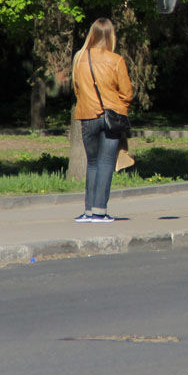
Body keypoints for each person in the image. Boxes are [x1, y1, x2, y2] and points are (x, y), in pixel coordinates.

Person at [72, 18, 133, 223]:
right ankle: (100, 211)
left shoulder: (79, 58)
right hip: (111, 115)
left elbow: (76, 89)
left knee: (93, 163)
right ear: (111, 36)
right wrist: (119, 107)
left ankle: (88, 211)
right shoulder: (116, 60)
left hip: (87, 115)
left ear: (92, 34)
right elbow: (127, 93)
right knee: (107, 162)